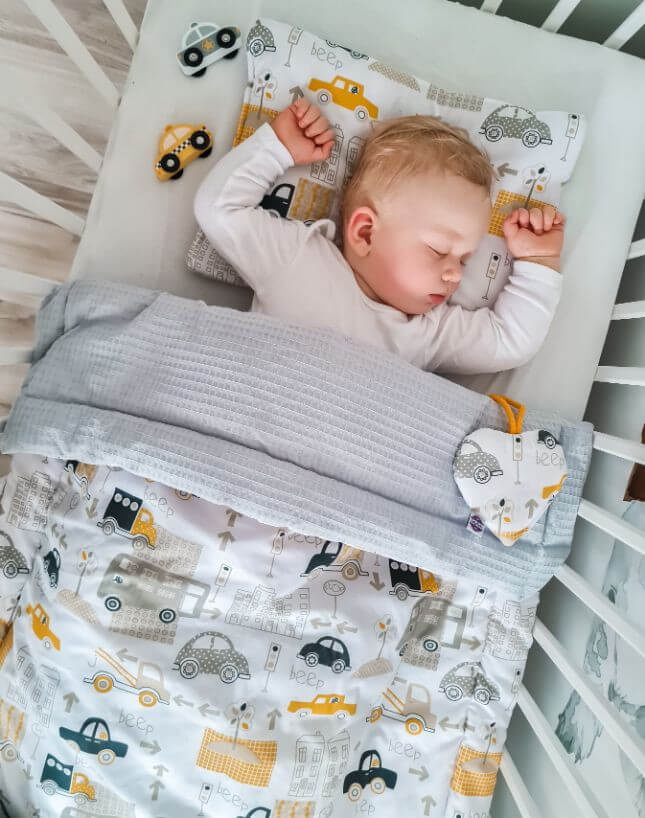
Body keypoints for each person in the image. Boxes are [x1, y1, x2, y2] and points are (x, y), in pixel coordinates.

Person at [194, 98, 565, 374]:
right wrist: (277, 148)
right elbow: (220, 210)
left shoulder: (429, 332)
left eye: (465, 259)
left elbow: (508, 342)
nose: (456, 274)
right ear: (365, 232)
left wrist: (539, 263)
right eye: (439, 250)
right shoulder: (298, 259)